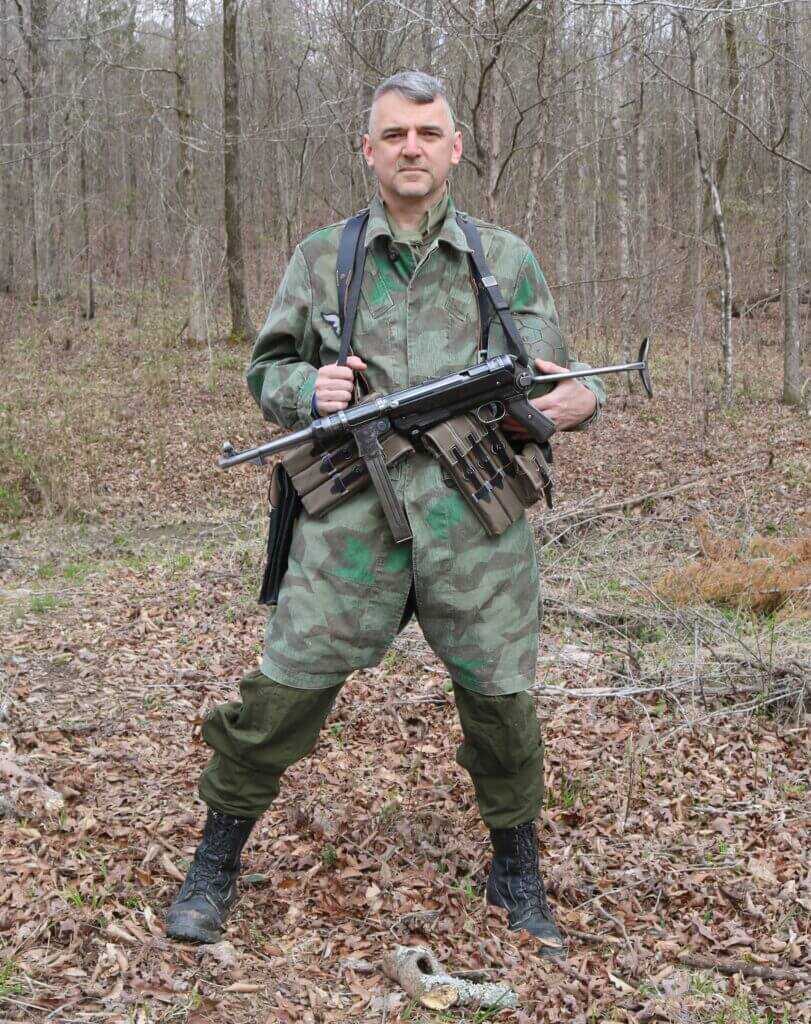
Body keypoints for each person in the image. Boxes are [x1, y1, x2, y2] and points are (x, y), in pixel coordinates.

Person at [165, 71, 604, 959]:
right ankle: (216, 860)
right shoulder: (325, 256)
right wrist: (307, 388)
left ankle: (514, 865)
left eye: (427, 133)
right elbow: (268, 373)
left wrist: (580, 404)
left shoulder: (502, 259)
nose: (412, 148)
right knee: (280, 696)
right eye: (394, 134)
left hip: (477, 522)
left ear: (453, 148)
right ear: (369, 151)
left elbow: (556, 377)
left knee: (502, 706)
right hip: (349, 525)